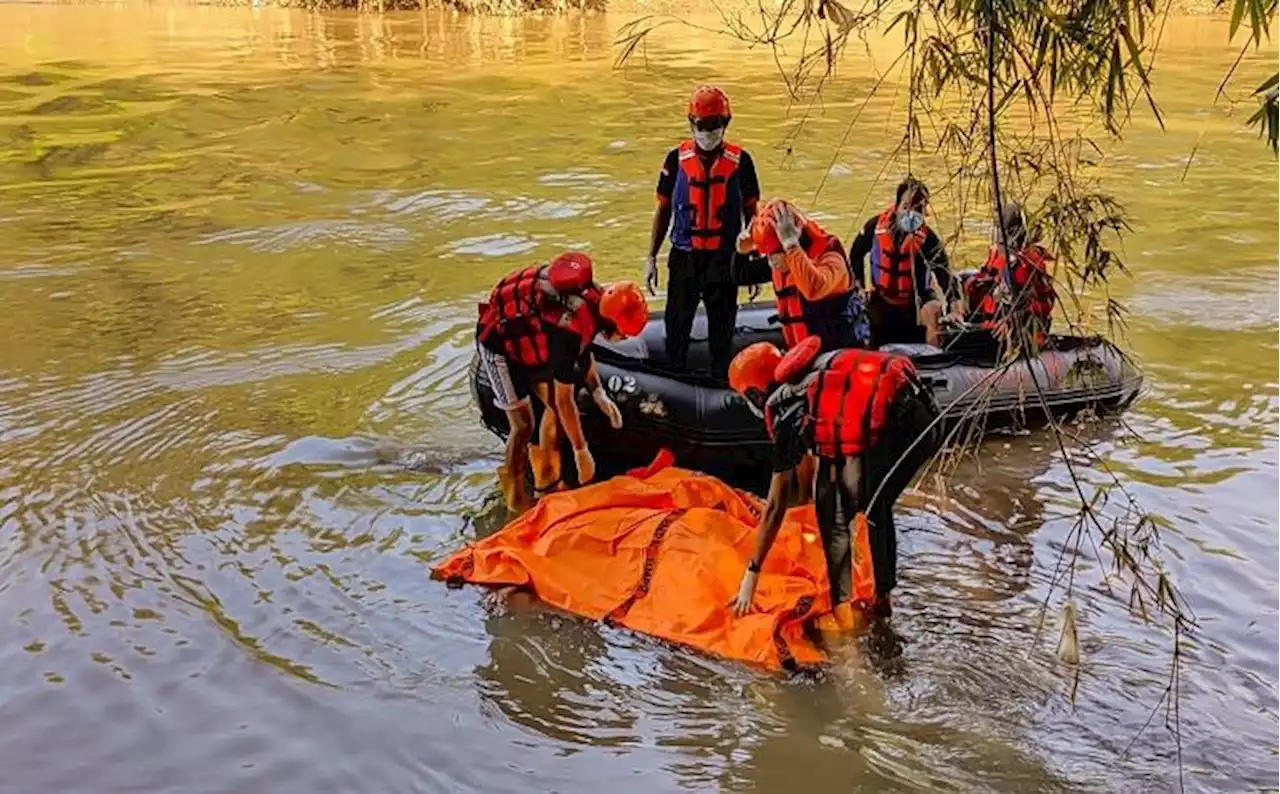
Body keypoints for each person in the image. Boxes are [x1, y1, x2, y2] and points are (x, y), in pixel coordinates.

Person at [726, 334, 943, 632]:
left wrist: (752, 573)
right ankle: (882, 600)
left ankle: (861, 610)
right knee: (871, 503)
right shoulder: (821, 372)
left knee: (851, 512)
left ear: (755, 393)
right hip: (929, 414)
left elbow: (776, 504)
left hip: (900, 425)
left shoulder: (785, 409)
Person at [475, 252, 649, 511]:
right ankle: (514, 497)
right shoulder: (568, 332)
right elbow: (563, 398)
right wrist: (581, 450)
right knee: (523, 425)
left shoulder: (594, 301)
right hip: (498, 344)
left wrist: (598, 391)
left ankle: (546, 479)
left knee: (552, 416)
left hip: (532, 339)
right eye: (623, 335)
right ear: (612, 324)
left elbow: (586, 348)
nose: (624, 340)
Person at [644, 84, 761, 378]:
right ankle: (675, 383)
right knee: (677, 327)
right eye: (703, 125)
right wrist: (651, 257)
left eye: (716, 125)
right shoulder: (675, 160)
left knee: (723, 331)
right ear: (691, 123)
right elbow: (663, 209)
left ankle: (722, 382)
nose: (709, 132)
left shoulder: (741, 162)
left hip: (724, 260)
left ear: (726, 124)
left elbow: (753, 214)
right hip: (685, 257)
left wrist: (753, 260)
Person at [736, 197, 870, 352]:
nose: (772, 261)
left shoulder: (831, 259)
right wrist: (741, 252)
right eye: (768, 254)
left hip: (838, 352)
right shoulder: (781, 262)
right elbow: (742, 275)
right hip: (802, 352)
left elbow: (813, 288)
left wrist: (791, 246)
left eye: (775, 254)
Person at [849, 177, 959, 348]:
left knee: (933, 309)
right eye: (906, 207)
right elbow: (856, 254)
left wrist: (954, 308)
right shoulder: (874, 227)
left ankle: (933, 357)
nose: (911, 214)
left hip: (916, 302)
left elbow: (944, 273)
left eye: (918, 209)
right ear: (897, 206)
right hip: (883, 300)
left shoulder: (928, 239)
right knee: (862, 307)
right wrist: (860, 286)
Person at [965, 201, 1058, 351]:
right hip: (992, 324)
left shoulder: (1028, 262)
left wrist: (1014, 320)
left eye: (998, 227)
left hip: (1019, 331)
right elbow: (984, 281)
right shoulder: (996, 256)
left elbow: (1044, 303)